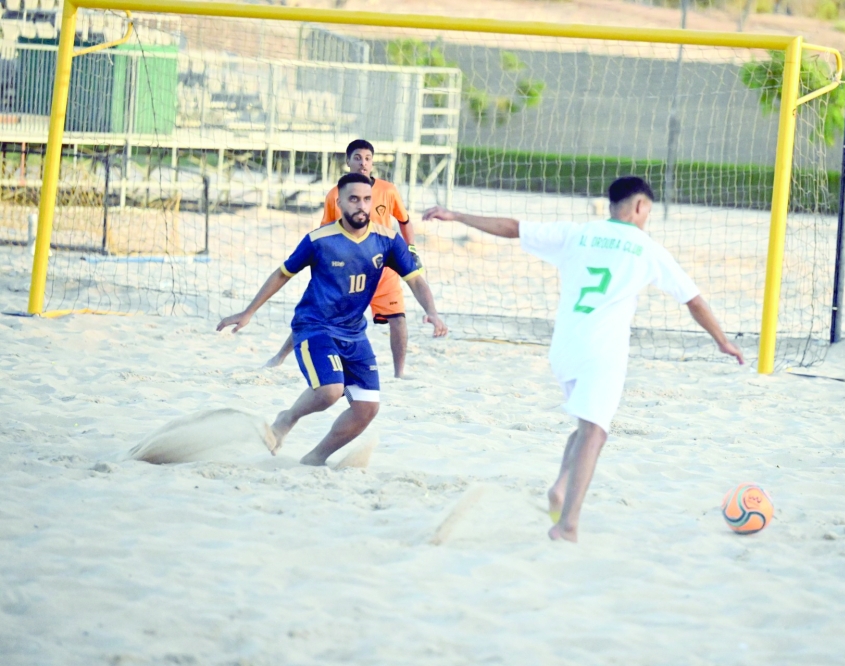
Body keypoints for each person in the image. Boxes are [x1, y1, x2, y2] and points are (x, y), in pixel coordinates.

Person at [423, 176, 743, 542]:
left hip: (564, 347)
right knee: (595, 432)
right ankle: (568, 524)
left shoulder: (577, 233)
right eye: (648, 211)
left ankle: (561, 487)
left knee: (584, 424)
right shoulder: (646, 247)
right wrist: (722, 342)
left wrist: (456, 214)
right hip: (602, 350)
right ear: (640, 207)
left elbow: (513, 228)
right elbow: (695, 301)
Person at [219, 173, 447, 465]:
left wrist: (432, 311)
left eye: (366, 199)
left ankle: (315, 458)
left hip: (354, 333)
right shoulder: (320, 240)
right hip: (315, 327)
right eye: (353, 199)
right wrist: (248, 312)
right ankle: (287, 419)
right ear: (338, 203)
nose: (361, 206)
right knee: (330, 391)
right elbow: (282, 274)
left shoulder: (388, 239)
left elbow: (415, 280)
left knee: (367, 408)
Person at [266, 140, 419, 378]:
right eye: (358, 157)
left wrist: (412, 250)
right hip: (345, 271)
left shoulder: (388, 191)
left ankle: (400, 373)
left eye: (368, 158)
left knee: (398, 318)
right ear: (348, 161)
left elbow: (404, 220)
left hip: (382, 268)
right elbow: (324, 233)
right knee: (318, 315)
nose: (363, 163)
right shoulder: (335, 196)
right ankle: (280, 356)